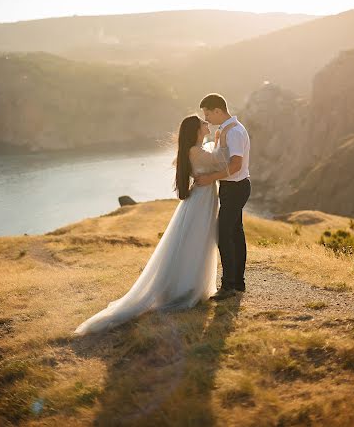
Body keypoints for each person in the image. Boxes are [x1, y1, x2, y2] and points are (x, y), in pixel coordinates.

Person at [74, 115, 235, 336]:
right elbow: (223, 160)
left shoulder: (196, 148)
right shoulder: (196, 151)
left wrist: (216, 140)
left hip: (203, 199)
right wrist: (222, 138)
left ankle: (190, 285)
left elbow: (213, 157)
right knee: (196, 242)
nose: (207, 124)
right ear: (197, 130)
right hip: (200, 202)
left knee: (197, 242)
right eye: (203, 123)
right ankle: (186, 288)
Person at [197, 93, 251, 300]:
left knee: (225, 235)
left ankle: (228, 286)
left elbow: (236, 164)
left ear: (218, 110)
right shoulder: (226, 130)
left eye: (207, 113)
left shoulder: (234, 132)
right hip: (232, 187)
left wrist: (210, 178)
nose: (207, 118)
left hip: (236, 187)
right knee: (235, 235)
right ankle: (238, 283)